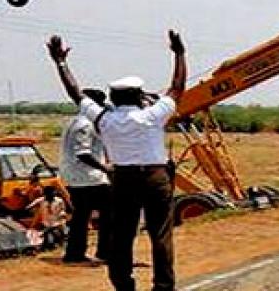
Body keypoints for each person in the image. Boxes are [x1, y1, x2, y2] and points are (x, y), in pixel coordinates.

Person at [49, 31, 186, 291]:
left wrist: (61, 63)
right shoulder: (153, 116)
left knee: (121, 234)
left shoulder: (104, 119)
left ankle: (123, 284)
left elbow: (76, 94)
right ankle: (163, 286)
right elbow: (177, 86)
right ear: (138, 97)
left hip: (122, 178)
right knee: (161, 234)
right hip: (155, 177)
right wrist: (179, 53)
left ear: (112, 98)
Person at [58, 86, 113, 264]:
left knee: (81, 216)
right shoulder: (86, 124)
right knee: (109, 212)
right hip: (89, 177)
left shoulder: (73, 121)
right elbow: (83, 153)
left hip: (76, 177)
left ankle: (75, 253)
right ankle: (104, 251)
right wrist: (105, 168)